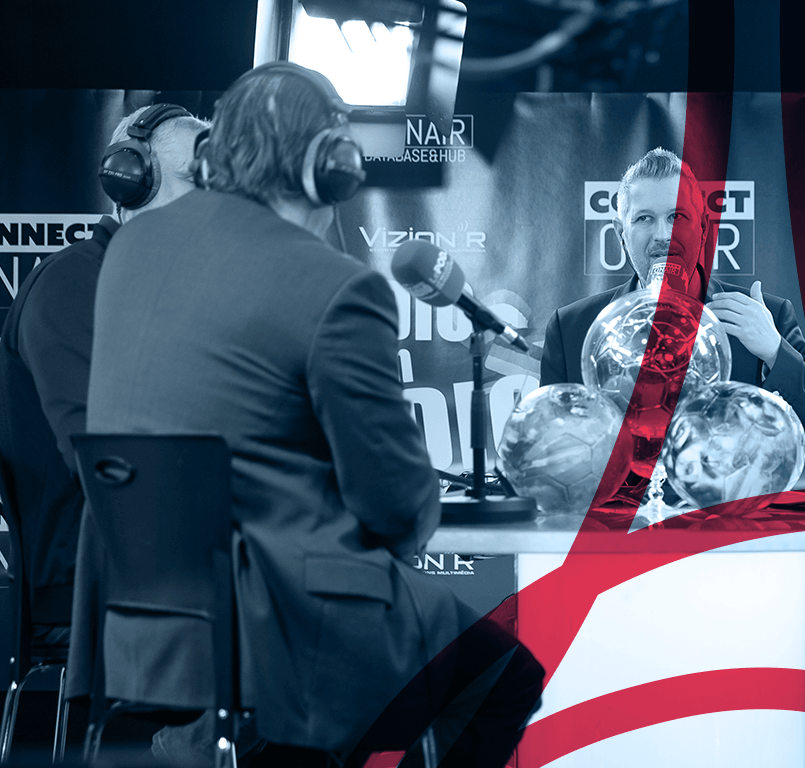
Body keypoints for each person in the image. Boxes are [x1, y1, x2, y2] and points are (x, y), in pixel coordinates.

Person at [71, 62, 542, 765]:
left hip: (147, 627)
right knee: (506, 677)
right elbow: (399, 511)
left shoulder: (130, 249)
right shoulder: (336, 285)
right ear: (334, 167)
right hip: (293, 635)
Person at [0, 103, 206, 652]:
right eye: (196, 180)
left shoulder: (177, 298)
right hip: (92, 581)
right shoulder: (72, 285)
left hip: (166, 565)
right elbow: (112, 464)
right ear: (130, 180)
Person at [540, 148, 805, 461]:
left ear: (703, 227)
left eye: (677, 217)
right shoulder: (573, 329)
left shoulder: (766, 317)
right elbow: (550, 457)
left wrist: (774, 351)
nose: (663, 235)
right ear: (622, 233)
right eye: (644, 218)